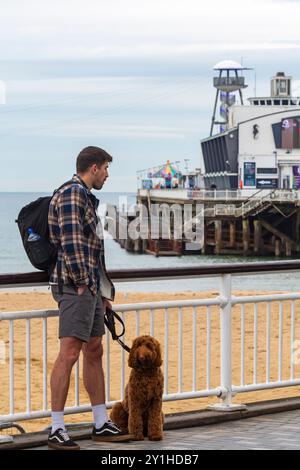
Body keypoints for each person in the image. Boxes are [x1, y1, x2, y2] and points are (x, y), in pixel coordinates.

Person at [47, 146, 132, 450]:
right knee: (69, 354)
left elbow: (93, 250)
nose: (108, 175)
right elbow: (71, 244)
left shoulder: (84, 196)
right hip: (75, 286)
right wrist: (84, 285)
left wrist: (103, 292)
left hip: (91, 288)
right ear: (93, 167)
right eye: (106, 168)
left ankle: (100, 422)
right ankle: (57, 428)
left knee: (94, 351)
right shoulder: (72, 194)